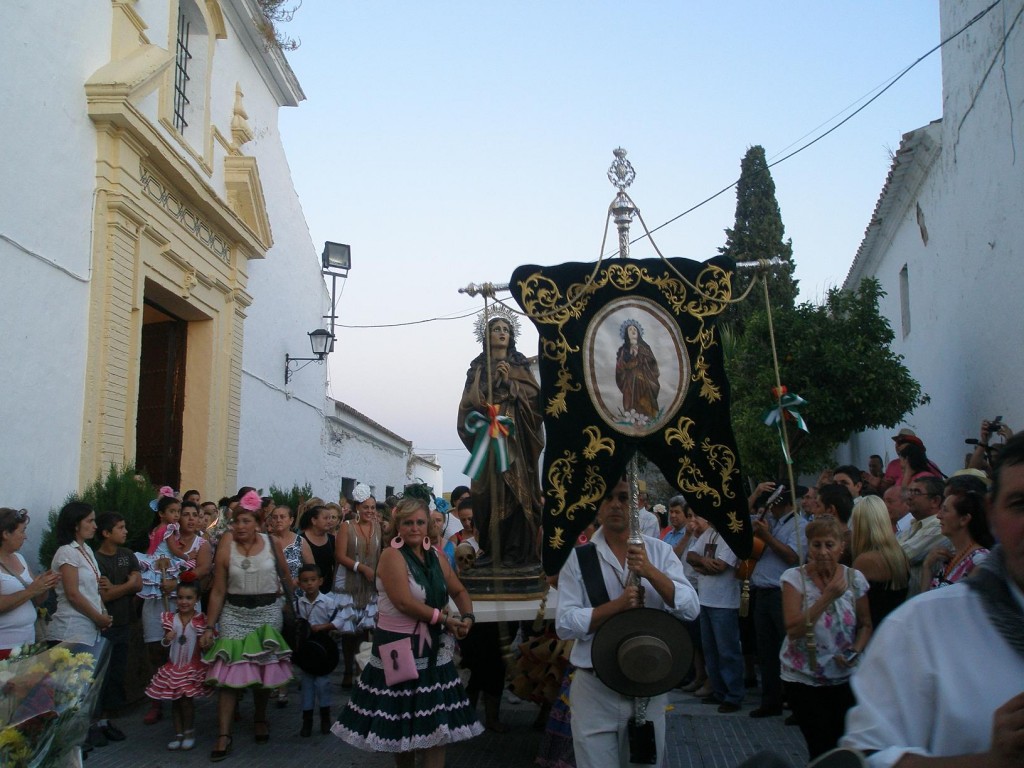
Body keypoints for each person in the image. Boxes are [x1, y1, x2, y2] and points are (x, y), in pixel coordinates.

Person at [840, 431, 1024, 767]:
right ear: (992, 513)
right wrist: (990, 762)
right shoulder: (920, 628)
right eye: (1020, 505)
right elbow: (868, 756)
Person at [556, 478, 700, 767]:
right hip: (595, 688)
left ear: (637, 505)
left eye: (623, 498)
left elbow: (690, 608)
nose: (615, 505)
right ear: (597, 507)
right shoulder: (578, 558)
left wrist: (650, 572)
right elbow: (565, 623)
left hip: (647, 682)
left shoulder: (659, 552)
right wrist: (616, 607)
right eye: (607, 498)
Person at [334, 496, 482, 768]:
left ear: (428, 526)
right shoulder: (391, 556)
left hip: (433, 647)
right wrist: (444, 619)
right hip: (400, 646)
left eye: (420, 522)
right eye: (408, 523)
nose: (415, 528)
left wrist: (467, 616)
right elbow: (403, 602)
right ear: (398, 527)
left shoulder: (436, 556)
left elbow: (458, 590)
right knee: (402, 723)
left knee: (436, 725)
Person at [200, 493, 294, 762]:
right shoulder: (226, 546)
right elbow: (218, 590)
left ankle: (260, 717)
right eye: (236, 521)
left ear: (258, 523)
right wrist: (209, 626)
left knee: (263, 669)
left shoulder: (272, 543)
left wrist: (289, 603)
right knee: (229, 672)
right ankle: (223, 734)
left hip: (267, 613)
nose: (239, 526)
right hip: (234, 613)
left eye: (245, 521)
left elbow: (286, 576)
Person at [780, 516, 872, 759]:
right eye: (816, 545)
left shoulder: (855, 579)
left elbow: (865, 625)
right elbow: (794, 629)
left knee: (842, 744)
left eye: (829, 545)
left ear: (841, 547)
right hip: (803, 678)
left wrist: (854, 651)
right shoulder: (794, 579)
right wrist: (827, 597)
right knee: (820, 746)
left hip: (843, 677)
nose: (822, 552)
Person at [457, 312, 544, 568]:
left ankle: (516, 552)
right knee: (483, 493)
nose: (502, 332)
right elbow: (467, 405)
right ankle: (491, 548)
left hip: (513, 438)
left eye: (506, 328)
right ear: (487, 336)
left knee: (515, 493)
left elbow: (535, 401)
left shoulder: (519, 366)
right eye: (496, 328)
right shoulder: (478, 369)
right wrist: (487, 393)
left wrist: (510, 385)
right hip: (487, 437)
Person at [47, 501, 114, 750]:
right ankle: (66, 743)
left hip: (89, 628)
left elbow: (92, 590)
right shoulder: (67, 552)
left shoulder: (86, 551)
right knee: (69, 688)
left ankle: (78, 738)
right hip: (72, 628)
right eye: (90, 521)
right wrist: (97, 617)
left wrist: (103, 613)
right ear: (76, 524)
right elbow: (73, 594)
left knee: (83, 686)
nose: (95, 526)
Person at [747, 482, 806, 718]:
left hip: (783, 593)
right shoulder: (769, 521)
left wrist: (766, 537)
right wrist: (755, 494)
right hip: (762, 591)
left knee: (789, 648)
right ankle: (770, 701)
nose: (769, 508)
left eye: (773, 504)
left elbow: (792, 556)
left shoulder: (799, 526)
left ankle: (797, 704)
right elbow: (740, 519)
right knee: (766, 651)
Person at [145, 572, 209, 751]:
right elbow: (165, 643)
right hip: (173, 667)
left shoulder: (200, 621)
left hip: (191, 667)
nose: (183, 602)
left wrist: (206, 643)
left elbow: (205, 645)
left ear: (196, 599)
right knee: (174, 701)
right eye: (180, 597)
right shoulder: (170, 619)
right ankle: (178, 734)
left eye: (189, 598)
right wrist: (167, 639)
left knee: (186, 702)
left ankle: (189, 732)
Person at [688, 518, 744, 713]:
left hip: (724, 602)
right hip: (705, 599)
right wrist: (703, 561)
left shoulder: (731, 536)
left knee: (727, 651)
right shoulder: (709, 533)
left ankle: (734, 695)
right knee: (710, 650)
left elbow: (720, 567)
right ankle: (719, 690)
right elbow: (691, 555)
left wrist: (699, 566)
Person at [94, 512, 141, 734]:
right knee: (102, 674)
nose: (125, 531)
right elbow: (105, 595)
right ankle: (97, 720)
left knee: (117, 673)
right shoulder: (97, 560)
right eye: (120, 528)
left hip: (125, 621)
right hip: (105, 624)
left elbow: (138, 584)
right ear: (106, 533)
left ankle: (107, 719)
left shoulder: (127, 555)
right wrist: (127, 586)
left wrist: (119, 587)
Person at [335, 484, 383, 687]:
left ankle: (360, 669)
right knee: (349, 631)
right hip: (350, 582)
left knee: (365, 629)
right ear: (357, 508)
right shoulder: (346, 527)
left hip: (370, 584)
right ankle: (347, 670)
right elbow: (340, 556)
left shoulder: (378, 527)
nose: (370, 511)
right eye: (366, 507)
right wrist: (361, 568)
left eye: (372, 507)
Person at [294, 564, 348, 737]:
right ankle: (307, 720)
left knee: (323, 683)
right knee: (307, 684)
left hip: (324, 647)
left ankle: (325, 717)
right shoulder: (298, 604)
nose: (309, 584)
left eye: (313, 580)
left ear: (320, 581)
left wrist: (324, 626)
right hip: (307, 649)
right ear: (299, 583)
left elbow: (340, 620)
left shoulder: (328, 602)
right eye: (305, 581)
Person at [0, 507, 60, 657]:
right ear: (6, 534)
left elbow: (37, 600)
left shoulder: (20, 558)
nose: (25, 537)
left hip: (29, 643)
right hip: (4, 647)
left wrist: (45, 585)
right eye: (22, 531)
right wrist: (31, 590)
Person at [849, 496, 908, 630]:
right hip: (895, 629)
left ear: (860, 526)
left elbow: (852, 609)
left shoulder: (864, 561)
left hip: (873, 632)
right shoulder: (900, 554)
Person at [920, 487, 993, 592]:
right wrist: (927, 566)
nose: (938, 516)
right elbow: (926, 599)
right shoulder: (950, 556)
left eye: (945, 510)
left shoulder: (979, 561)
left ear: (964, 519)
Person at [897, 476, 948, 597]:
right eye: (910, 491)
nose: (909, 497)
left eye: (916, 492)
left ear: (935, 501)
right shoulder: (914, 523)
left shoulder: (939, 526)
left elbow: (898, 557)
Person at [614, 318, 660, 421]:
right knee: (631, 403)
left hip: (644, 379)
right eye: (630, 330)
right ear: (627, 334)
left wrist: (641, 354)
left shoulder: (645, 347)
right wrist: (630, 356)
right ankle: (632, 418)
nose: (633, 331)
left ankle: (647, 418)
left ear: (638, 332)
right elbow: (620, 368)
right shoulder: (623, 350)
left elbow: (653, 364)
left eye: (635, 329)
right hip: (629, 382)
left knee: (645, 402)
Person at [298, 501, 335, 594]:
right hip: (306, 590)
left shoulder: (332, 539)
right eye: (326, 518)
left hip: (328, 590)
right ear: (314, 521)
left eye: (330, 518)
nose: (329, 521)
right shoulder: (300, 540)